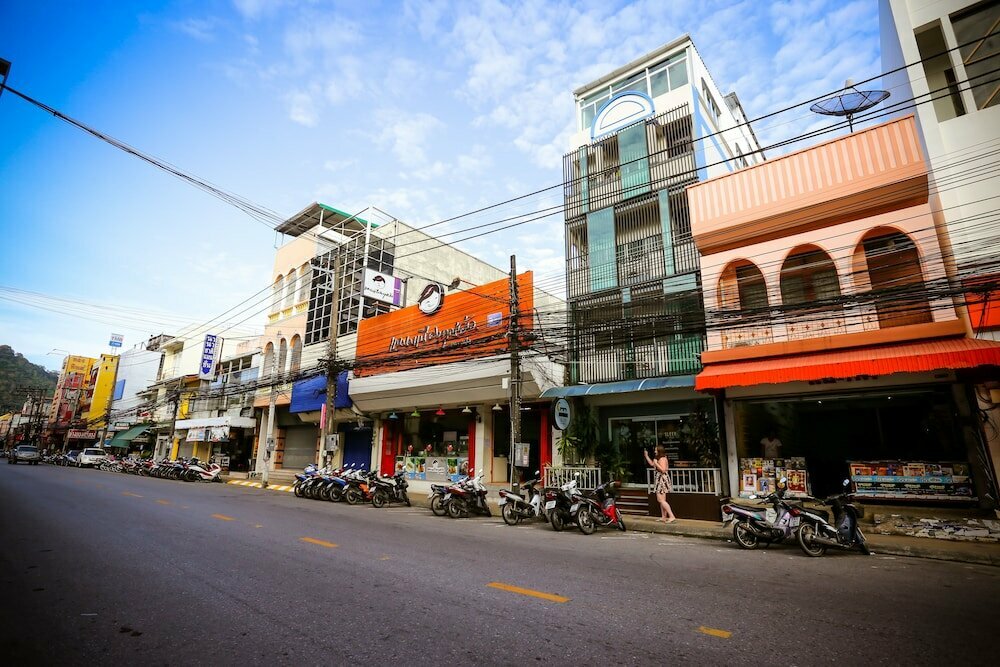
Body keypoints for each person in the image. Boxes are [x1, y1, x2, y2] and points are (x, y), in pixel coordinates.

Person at [644, 445, 676, 523]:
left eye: (656, 450)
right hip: (659, 479)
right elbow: (652, 464)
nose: (655, 451)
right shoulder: (658, 458)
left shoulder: (662, 459)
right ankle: (663, 516)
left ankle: (671, 516)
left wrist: (656, 463)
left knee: (660, 500)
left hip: (662, 480)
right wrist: (646, 456)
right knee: (662, 500)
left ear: (659, 451)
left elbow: (663, 470)